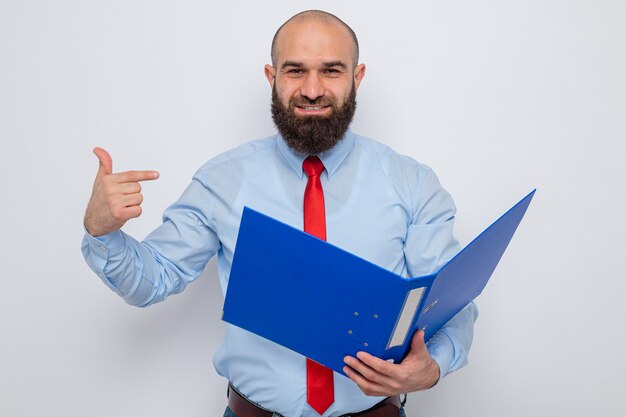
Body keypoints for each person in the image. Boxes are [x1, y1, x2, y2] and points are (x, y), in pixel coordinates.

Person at [82, 9, 478, 417]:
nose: (311, 89)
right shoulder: (223, 180)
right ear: (272, 78)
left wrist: (432, 368)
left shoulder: (412, 184)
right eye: (295, 71)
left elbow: (450, 302)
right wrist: (102, 232)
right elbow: (153, 279)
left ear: (356, 79)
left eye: (331, 71)